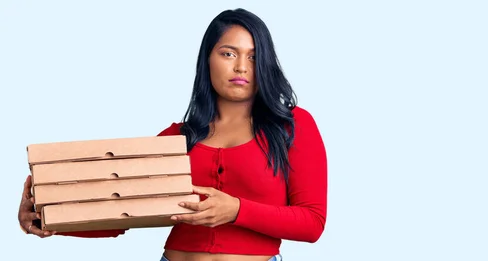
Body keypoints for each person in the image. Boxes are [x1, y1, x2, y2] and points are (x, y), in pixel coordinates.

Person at [17, 8, 327, 261]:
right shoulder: (177, 138)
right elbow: (120, 212)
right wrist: (47, 217)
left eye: (254, 56)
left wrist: (236, 210)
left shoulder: (291, 126)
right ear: (208, 60)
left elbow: (312, 223)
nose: (242, 67)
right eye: (228, 53)